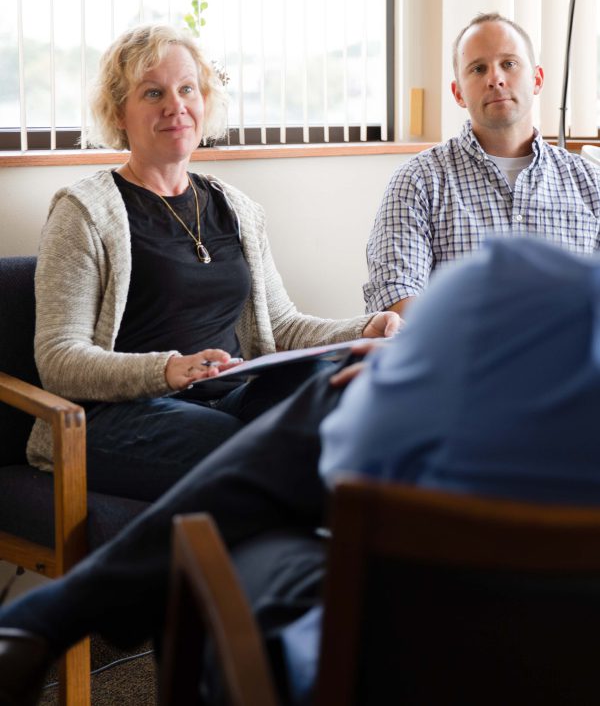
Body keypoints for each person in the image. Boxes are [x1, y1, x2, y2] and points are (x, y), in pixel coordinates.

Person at [2, 234, 600, 706]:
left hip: (382, 667)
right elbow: (61, 357)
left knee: (280, 470)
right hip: (570, 661)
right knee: (315, 396)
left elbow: (337, 454)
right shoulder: (87, 209)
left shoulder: (506, 285)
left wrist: (397, 373)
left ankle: (49, 620)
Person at [26, 23, 398, 501]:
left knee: (334, 386)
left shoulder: (237, 209)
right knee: (248, 451)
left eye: (187, 89)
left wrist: (363, 329)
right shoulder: (83, 212)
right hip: (118, 416)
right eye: (153, 93)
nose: (175, 105)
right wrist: (167, 370)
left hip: (227, 401)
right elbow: (59, 360)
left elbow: (282, 326)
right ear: (119, 111)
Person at [364, 11, 600, 315]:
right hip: (457, 361)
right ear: (458, 93)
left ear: (537, 79)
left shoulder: (590, 183)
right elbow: (396, 296)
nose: (495, 79)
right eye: (477, 69)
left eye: (509, 64)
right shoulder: (417, 181)